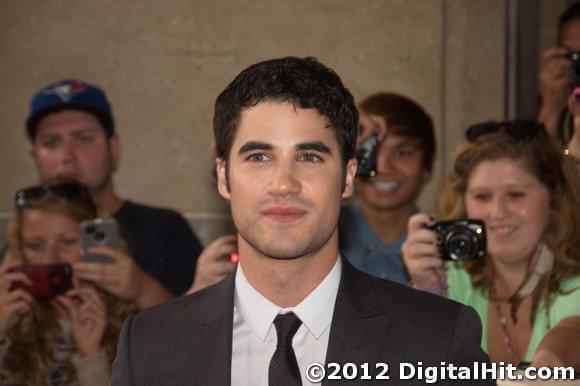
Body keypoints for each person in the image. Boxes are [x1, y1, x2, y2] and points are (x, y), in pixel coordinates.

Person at [111, 57, 491, 386]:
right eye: (259, 157)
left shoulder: (438, 338)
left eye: (309, 157)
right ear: (224, 177)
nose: (283, 184)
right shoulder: (148, 346)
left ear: (347, 177)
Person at [25, 79, 234, 295]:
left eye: (84, 139)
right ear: (34, 156)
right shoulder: (22, 236)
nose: (67, 156)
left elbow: (199, 320)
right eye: (51, 143)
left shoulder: (163, 230)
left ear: (113, 150)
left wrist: (142, 289)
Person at [402, 120, 580, 369]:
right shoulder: (453, 280)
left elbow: (570, 335)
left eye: (516, 195)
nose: (497, 212)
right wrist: (426, 293)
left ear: (553, 199)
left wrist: (548, 364)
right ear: (463, 202)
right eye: (482, 197)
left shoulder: (573, 285)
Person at [0, 181, 140, 385]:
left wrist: (91, 356)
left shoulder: (131, 324)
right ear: (20, 251)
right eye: (35, 245)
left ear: (96, 243)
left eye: (67, 241)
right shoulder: (9, 315)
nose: (52, 258)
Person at [339, 92, 435, 284]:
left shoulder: (440, 247)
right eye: (371, 150)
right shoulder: (320, 236)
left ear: (427, 166)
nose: (383, 167)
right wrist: (340, 118)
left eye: (403, 152)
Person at [537, 1, 580, 149]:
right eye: (572, 56)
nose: (577, 64)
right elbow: (539, 166)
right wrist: (550, 109)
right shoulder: (563, 103)